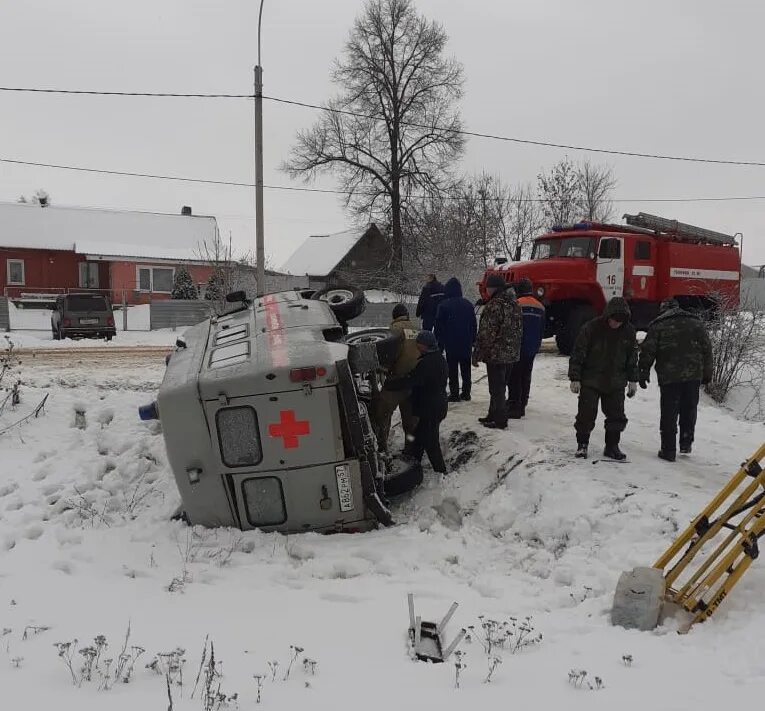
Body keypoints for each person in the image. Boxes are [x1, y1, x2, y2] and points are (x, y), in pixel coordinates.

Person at [638, 297, 713, 461]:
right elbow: (707, 349)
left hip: (669, 377)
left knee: (669, 413)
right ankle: (686, 442)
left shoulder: (658, 325)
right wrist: (707, 373)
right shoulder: (696, 323)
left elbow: (648, 352)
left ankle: (668, 450)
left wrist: (643, 373)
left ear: (663, 309)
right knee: (689, 409)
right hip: (693, 375)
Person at [568, 297, 639, 460]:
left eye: (620, 321)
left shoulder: (629, 331)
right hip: (591, 379)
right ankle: (582, 444)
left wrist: (633, 379)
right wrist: (575, 377)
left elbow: (632, 357)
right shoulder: (591, 328)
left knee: (617, 415)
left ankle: (612, 446)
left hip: (616, 380)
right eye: (614, 320)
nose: (616, 323)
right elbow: (578, 353)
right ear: (608, 315)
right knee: (586, 414)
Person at [384, 330, 448, 474]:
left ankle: (441, 472)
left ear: (425, 345)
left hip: (431, 409)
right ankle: (413, 465)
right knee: (418, 438)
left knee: (431, 443)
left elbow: (412, 380)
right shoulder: (438, 358)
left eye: (418, 343)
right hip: (436, 406)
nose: (417, 346)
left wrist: (390, 384)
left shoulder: (427, 363)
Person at [472, 274, 522, 430]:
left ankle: (500, 420)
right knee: (501, 386)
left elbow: (486, 333)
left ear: (491, 288)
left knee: (497, 388)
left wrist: (477, 354)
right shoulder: (514, 304)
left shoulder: (494, 305)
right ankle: (492, 414)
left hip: (496, 354)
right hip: (511, 354)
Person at [371, 304, 419, 453]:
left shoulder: (393, 331)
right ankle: (411, 448)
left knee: (382, 415)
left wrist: (382, 369)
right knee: (411, 420)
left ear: (394, 316)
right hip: (414, 382)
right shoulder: (417, 329)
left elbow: (388, 356)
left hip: (395, 381)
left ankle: (382, 448)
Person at [434, 277, 478, 402]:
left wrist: (439, 343)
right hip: (465, 342)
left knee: (452, 369)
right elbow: (473, 324)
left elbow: (438, 327)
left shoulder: (443, 305)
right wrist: (473, 339)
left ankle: (454, 393)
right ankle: (466, 392)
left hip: (450, 342)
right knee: (466, 368)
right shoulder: (468, 305)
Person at [507, 278, 545, 418]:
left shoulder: (516, 304)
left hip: (518, 346)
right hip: (532, 347)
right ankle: (523, 402)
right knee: (526, 375)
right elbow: (542, 329)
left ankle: (514, 405)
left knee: (514, 376)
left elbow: (510, 327)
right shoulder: (540, 306)